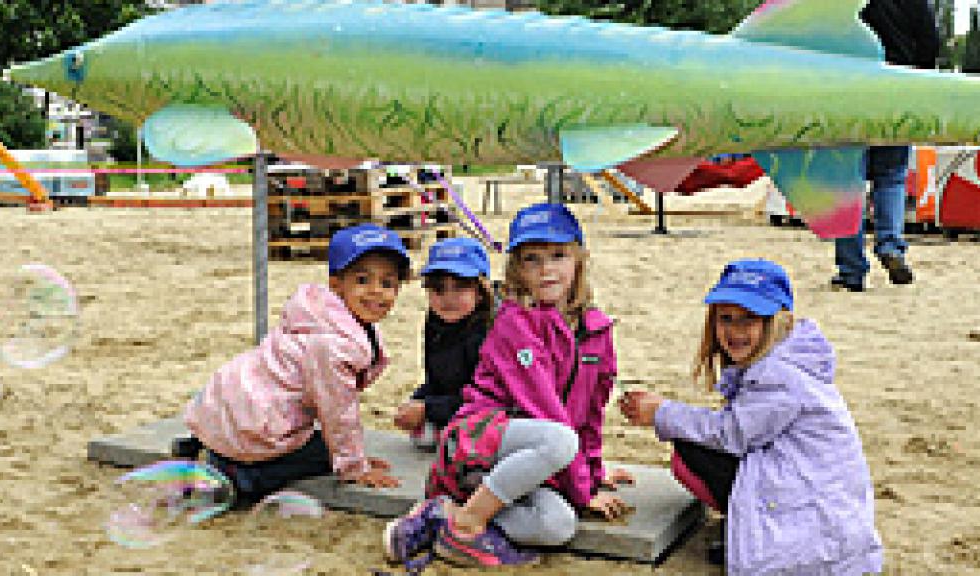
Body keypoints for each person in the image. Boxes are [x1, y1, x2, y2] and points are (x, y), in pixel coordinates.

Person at [382, 203, 632, 569]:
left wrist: (593, 476)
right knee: (560, 440)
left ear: (579, 257)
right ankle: (469, 523)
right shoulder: (516, 323)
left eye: (558, 255)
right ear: (517, 268)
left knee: (557, 524)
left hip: (526, 459)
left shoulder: (596, 330)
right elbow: (545, 411)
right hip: (478, 441)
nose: (546, 269)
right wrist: (581, 488)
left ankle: (445, 516)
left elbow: (590, 415)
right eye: (532, 259)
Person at [621, 259, 883, 574]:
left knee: (691, 452)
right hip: (818, 495)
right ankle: (745, 523)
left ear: (779, 322)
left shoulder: (780, 375)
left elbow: (732, 434)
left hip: (818, 525)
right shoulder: (784, 359)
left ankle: (759, 531)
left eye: (749, 319)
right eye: (726, 319)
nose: (735, 331)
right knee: (697, 445)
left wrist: (662, 412)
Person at [181, 224, 410, 507]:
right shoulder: (333, 344)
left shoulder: (318, 315)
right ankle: (238, 474)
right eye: (362, 280)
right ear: (337, 284)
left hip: (234, 411)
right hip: (257, 424)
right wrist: (355, 467)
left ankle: (205, 448)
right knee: (323, 454)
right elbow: (338, 410)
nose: (376, 292)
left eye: (387, 284)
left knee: (325, 445)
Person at [834, 0, 939, 291]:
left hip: (852, 91)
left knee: (848, 183)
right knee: (891, 177)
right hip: (898, 91)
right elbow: (929, 42)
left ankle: (851, 271)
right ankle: (891, 247)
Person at [392, 238, 495, 450]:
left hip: (490, 413)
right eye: (438, 289)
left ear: (480, 291)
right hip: (454, 408)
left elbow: (488, 398)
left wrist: (428, 409)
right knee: (422, 437)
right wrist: (417, 401)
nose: (449, 298)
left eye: (460, 288)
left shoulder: (490, 333)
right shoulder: (436, 324)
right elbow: (437, 380)